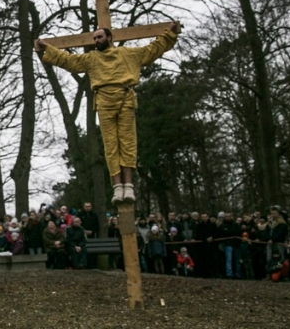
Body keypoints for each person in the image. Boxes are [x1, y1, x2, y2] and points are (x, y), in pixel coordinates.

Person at [34, 22, 181, 203]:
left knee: (128, 143)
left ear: (110, 38)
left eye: (100, 37)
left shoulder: (128, 54)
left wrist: (170, 34)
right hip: (104, 102)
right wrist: (46, 48)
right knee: (111, 146)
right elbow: (68, 60)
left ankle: (129, 186)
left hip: (125, 99)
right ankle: (117, 187)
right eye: (95, 38)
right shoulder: (92, 58)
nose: (96, 40)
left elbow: (152, 49)